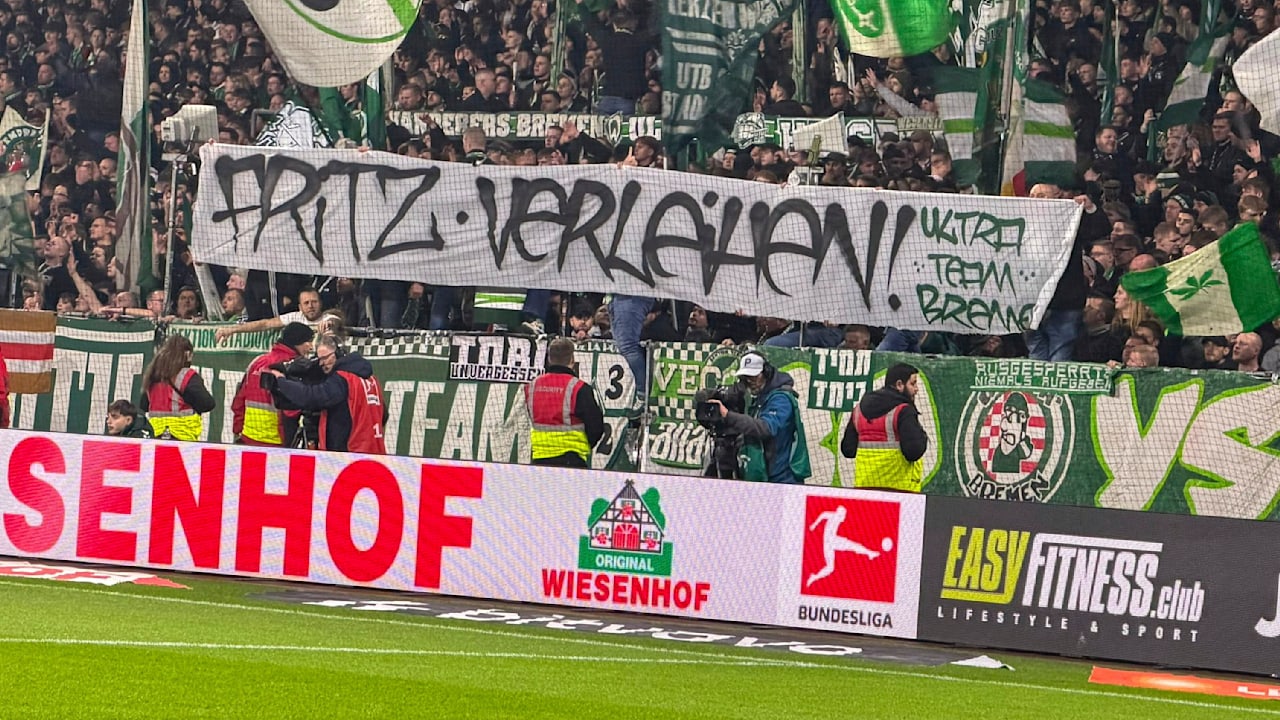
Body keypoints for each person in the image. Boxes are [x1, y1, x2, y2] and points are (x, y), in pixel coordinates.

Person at [266, 335, 387, 454]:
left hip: (351, 455)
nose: (321, 364)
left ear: (338, 353)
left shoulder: (342, 379)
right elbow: (384, 415)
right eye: (320, 359)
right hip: (375, 452)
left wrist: (281, 382)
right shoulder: (371, 379)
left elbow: (311, 397)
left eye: (325, 358)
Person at [707, 352, 810, 484]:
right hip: (765, 478)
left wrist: (727, 415)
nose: (750, 382)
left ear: (766, 372)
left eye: (754, 377)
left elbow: (765, 428)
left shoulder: (781, 399)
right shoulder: (760, 398)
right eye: (746, 378)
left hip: (783, 480)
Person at [842, 363, 929, 492]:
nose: (916, 389)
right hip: (900, 491)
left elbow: (848, 450)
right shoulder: (903, 411)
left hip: (864, 489)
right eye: (913, 383)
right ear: (899, 384)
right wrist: (923, 437)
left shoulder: (858, 410)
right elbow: (913, 452)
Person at [524, 337, 607, 468]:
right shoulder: (579, 388)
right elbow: (596, 427)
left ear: (549, 359)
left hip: (539, 459)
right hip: (572, 459)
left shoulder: (532, 386)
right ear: (572, 360)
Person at [231, 322, 315, 447]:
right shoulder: (293, 367)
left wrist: (238, 430)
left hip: (248, 439)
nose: (311, 348)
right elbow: (291, 411)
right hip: (276, 443)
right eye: (308, 342)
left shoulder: (257, 362)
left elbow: (239, 399)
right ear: (296, 342)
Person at [139, 334, 215, 441]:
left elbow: (143, 405)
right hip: (183, 434)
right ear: (187, 354)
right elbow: (208, 404)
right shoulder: (186, 375)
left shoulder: (152, 375)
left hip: (156, 434)